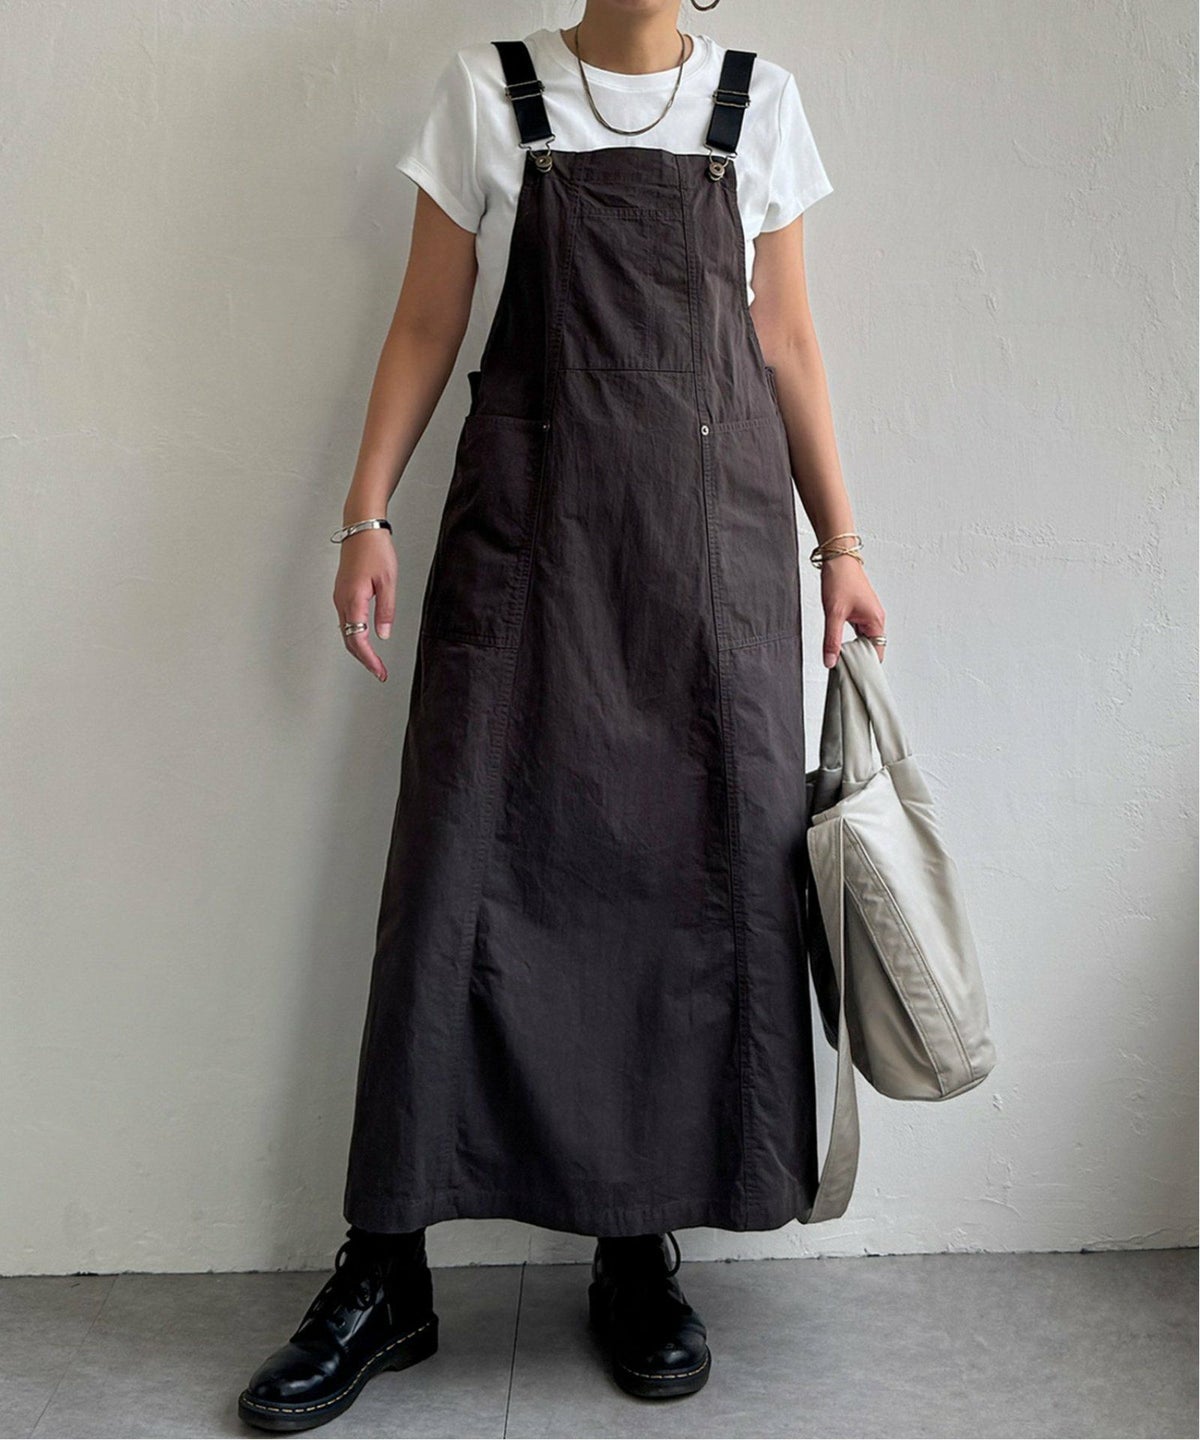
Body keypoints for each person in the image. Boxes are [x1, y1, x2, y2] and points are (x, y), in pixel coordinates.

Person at [238, 3, 887, 1431]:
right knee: (451, 879)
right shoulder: (491, 92)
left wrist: (839, 544)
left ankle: (634, 1249)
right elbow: (428, 318)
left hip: (710, 564)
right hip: (522, 552)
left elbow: (786, 339)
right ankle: (386, 1267)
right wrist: (363, 513)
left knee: (689, 886)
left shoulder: (759, 103)